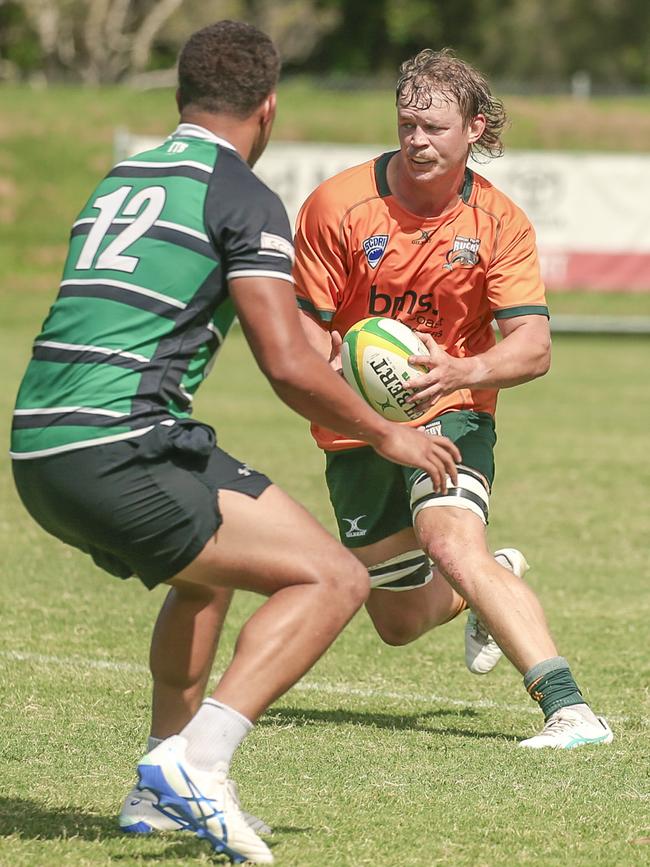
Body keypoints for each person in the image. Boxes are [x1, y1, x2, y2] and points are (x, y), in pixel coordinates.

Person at [9, 22, 462, 864]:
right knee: (331, 576)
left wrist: (337, 346)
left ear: (181, 97)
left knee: (203, 579)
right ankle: (196, 762)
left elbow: (266, 322)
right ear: (269, 107)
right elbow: (284, 365)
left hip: (40, 446)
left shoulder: (124, 177)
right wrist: (387, 431)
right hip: (121, 445)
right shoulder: (242, 193)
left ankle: (155, 791)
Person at [292, 47, 613, 750]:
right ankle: (487, 584)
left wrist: (460, 372)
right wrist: (342, 378)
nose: (417, 139)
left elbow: (533, 346)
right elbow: (303, 336)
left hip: (455, 407)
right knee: (398, 622)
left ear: (475, 129)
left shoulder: (498, 222)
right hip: (357, 425)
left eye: (435, 127)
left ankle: (568, 707)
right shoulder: (337, 206)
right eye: (407, 123)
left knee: (449, 537)